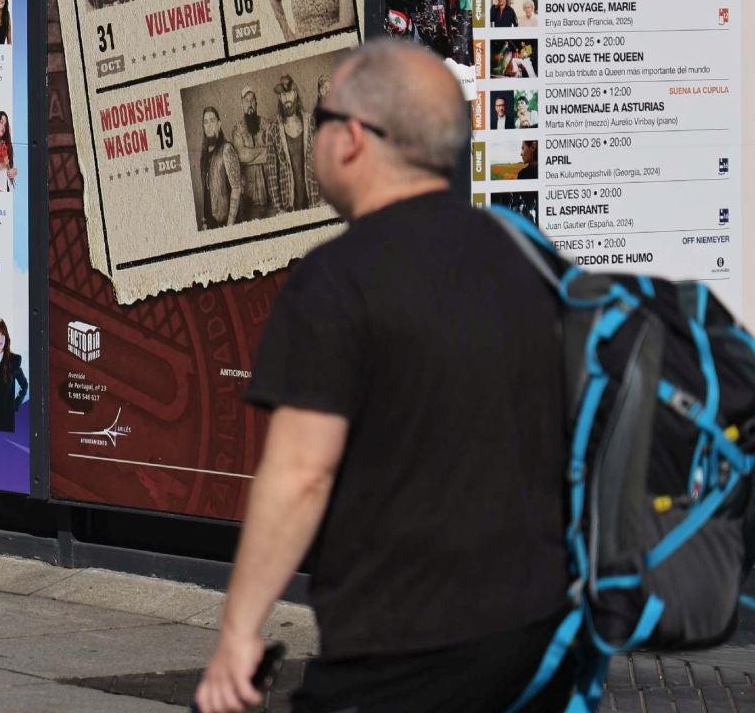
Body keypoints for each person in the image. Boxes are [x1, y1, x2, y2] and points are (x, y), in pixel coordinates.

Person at [194, 40, 570, 713]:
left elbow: (301, 473)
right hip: (537, 640)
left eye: (319, 119)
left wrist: (237, 634)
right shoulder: (526, 258)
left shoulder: (336, 280)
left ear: (353, 139)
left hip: (404, 647)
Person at [231, 88, 280, 221]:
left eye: (252, 100)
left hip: (272, 196)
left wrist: (249, 158)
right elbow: (241, 155)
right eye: (246, 101)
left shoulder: (267, 124)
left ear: (256, 103)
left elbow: (274, 152)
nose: (250, 104)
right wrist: (263, 150)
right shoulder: (237, 130)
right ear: (242, 105)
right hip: (250, 201)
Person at [271, 74, 315, 212]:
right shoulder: (274, 131)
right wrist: (279, 208)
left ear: (295, 94)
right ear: (279, 98)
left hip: (313, 199)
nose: (286, 99)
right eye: (283, 95)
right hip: (288, 205)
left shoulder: (310, 123)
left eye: (289, 93)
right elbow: (271, 173)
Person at [197, 106, 242, 229]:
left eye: (212, 120)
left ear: (219, 124)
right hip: (210, 223)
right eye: (205, 122)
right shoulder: (204, 155)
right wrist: (204, 220)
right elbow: (206, 190)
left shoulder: (226, 149)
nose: (209, 125)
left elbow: (236, 188)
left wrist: (230, 225)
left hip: (226, 222)